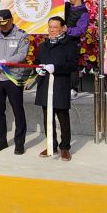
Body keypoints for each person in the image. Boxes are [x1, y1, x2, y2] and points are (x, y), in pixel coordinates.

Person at [35, 16, 79, 162]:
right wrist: (38, 68)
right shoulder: (44, 45)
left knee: (62, 116)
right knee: (47, 116)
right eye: (50, 27)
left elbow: (73, 65)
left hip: (60, 85)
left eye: (55, 27)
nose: (52, 30)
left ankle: (65, 147)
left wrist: (56, 68)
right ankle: (51, 145)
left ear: (63, 28)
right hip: (45, 84)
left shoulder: (70, 45)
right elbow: (38, 61)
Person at [0, 9, 30, 155]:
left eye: (5, 24)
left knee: (18, 110)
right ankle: (1, 141)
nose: (2, 27)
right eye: (0, 24)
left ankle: (19, 143)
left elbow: (22, 55)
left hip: (13, 77)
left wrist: (6, 61)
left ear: (11, 20)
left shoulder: (21, 35)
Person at [65, 0, 88, 99]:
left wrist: (67, 30)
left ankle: (73, 89)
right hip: (61, 41)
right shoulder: (66, 6)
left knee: (72, 66)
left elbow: (81, 30)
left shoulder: (83, 12)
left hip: (73, 43)